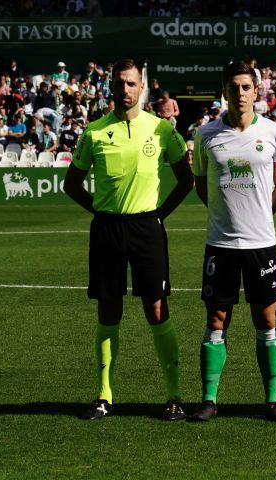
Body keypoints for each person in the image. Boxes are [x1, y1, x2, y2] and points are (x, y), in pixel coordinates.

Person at [63, 58, 193, 421]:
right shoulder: (94, 132)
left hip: (146, 230)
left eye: (131, 84)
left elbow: (186, 181)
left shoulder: (162, 130)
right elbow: (71, 185)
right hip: (107, 230)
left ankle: (173, 395)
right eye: (119, 83)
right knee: (109, 309)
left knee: (156, 309)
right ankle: (104, 395)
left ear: (142, 88)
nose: (125, 90)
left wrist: (158, 216)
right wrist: (101, 211)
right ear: (110, 87)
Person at [188, 61, 276, 422]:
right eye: (233, 87)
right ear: (225, 91)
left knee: (266, 320)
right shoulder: (206, 135)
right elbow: (200, 183)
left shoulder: (275, 133)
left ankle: (273, 400)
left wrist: (263, 215)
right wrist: (222, 213)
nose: (240, 93)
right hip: (221, 243)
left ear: (256, 91)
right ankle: (208, 399)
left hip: (261, 242)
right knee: (216, 318)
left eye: (246, 87)